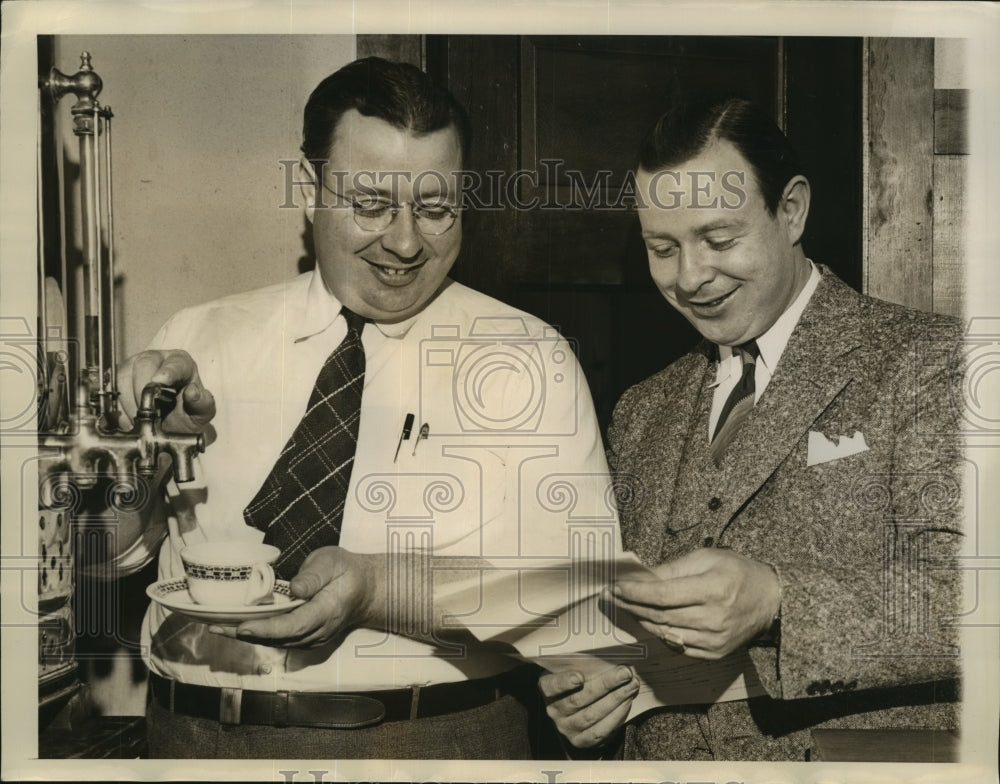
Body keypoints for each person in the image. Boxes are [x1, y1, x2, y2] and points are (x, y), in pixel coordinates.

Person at [117, 57, 616, 759]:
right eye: (371, 204)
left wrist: (379, 588)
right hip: (199, 741)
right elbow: (105, 560)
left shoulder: (529, 359)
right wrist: (137, 453)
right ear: (309, 190)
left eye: (436, 209)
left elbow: (581, 601)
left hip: (435, 743)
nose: (406, 243)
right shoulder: (199, 340)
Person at [540, 97, 963, 760]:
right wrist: (593, 697)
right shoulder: (641, 409)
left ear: (791, 211)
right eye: (663, 248)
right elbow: (621, 629)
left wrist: (779, 600)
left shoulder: (931, 360)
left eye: (718, 240)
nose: (690, 277)